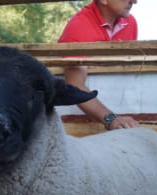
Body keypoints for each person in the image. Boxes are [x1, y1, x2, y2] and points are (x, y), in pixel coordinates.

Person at [58, 0, 139, 130]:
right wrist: (111, 119)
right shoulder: (79, 26)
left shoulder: (130, 23)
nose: (135, 1)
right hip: (84, 129)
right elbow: (74, 84)